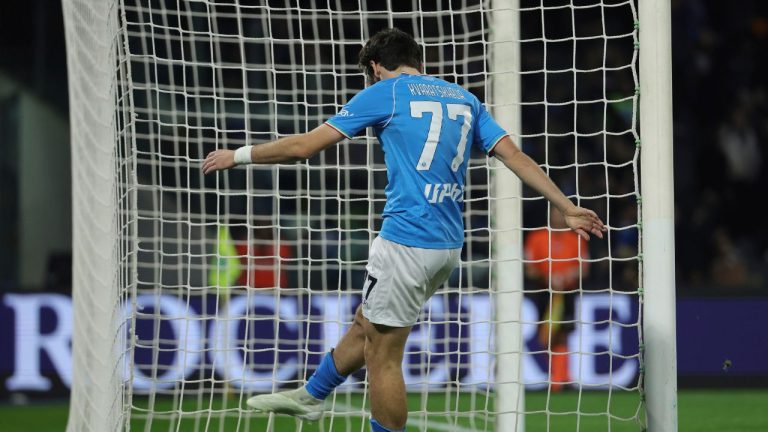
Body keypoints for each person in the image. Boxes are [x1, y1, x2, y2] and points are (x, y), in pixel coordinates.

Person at [202, 28, 606, 432]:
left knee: (383, 355)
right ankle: (312, 394)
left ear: (377, 67)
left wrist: (238, 155)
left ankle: (333, 407)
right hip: (447, 246)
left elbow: (306, 147)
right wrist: (566, 207)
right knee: (368, 322)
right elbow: (513, 155)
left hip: (407, 240)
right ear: (420, 61)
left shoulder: (387, 91)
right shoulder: (464, 98)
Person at [524, 206, 590, 391]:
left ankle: (560, 378)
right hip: (544, 291)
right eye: (555, 213)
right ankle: (557, 375)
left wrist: (567, 276)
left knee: (563, 333)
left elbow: (584, 268)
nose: (558, 217)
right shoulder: (536, 237)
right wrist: (547, 277)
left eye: (562, 214)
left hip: (567, 293)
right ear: (549, 215)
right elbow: (529, 267)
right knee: (545, 335)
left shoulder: (577, 238)